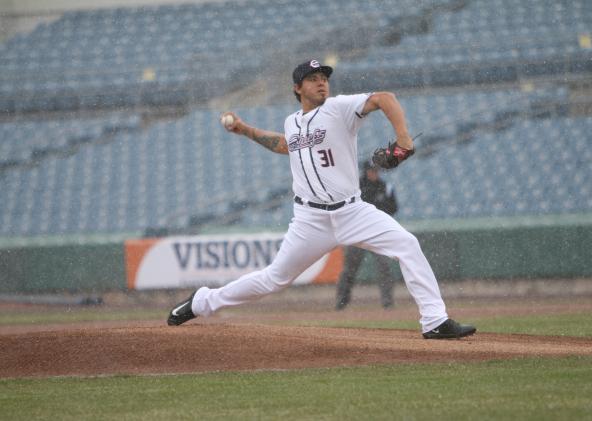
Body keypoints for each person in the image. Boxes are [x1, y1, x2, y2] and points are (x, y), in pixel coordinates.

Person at [168, 59, 476, 339]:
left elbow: (385, 99)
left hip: (352, 212)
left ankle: (434, 320)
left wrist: (404, 139)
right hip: (310, 220)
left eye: (324, 77)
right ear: (297, 88)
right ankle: (201, 302)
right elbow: (284, 145)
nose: (321, 82)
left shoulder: (339, 108)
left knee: (407, 244)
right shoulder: (292, 122)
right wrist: (245, 129)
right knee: (274, 279)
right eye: (313, 78)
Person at [335, 160, 398, 310]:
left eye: (376, 170)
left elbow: (394, 208)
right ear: (365, 171)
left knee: (384, 267)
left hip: (378, 234)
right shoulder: (355, 187)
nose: (374, 173)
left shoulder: (385, 187)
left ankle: (387, 302)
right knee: (349, 269)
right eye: (372, 170)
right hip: (357, 233)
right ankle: (341, 301)